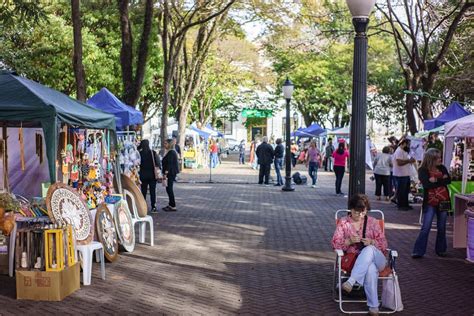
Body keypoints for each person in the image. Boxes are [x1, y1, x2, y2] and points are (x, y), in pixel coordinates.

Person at [332, 194, 388, 316]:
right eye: (357, 212)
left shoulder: (372, 222)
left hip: (379, 259)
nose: (360, 215)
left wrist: (372, 242)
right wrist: (349, 241)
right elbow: (335, 244)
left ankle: (351, 281)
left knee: (369, 249)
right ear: (351, 209)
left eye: (363, 212)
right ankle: (374, 308)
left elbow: (384, 244)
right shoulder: (344, 223)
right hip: (355, 262)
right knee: (370, 269)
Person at [412, 148, 451, 258]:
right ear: (431, 159)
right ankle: (418, 251)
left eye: (440, 157)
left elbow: (449, 180)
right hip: (430, 201)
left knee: (442, 226)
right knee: (426, 226)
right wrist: (441, 180)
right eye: (437, 158)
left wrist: (435, 180)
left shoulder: (442, 168)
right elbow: (427, 185)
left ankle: (441, 249)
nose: (440, 160)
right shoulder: (423, 170)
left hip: (444, 200)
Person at [392, 138, 416, 210]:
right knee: (401, 191)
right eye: (408, 144)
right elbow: (399, 162)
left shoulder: (404, 151)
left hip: (405, 174)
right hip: (400, 175)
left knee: (406, 191)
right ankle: (401, 205)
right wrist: (409, 161)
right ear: (404, 144)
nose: (409, 146)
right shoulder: (399, 151)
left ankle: (405, 204)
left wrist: (410, 160)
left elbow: (407, 160)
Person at [138, 139, 160, 212]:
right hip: (152, 175)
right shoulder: (153, 153)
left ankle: (143, 206)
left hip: (143, 174)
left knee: (143, 191)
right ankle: (153, 206)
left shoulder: (139, 153)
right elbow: (158, 163)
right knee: (152, 191)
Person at [161, 138, 180, 212]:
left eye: (166, 143)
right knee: (168, 188)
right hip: (170, 172)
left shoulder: (171, 152)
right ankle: (170, 204)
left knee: (169, 188)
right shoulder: (169, 152)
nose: (164, 145)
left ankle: (173, 205)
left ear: (169, 144)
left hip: (170, 173)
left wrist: (166, 173)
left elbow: (169, 164)